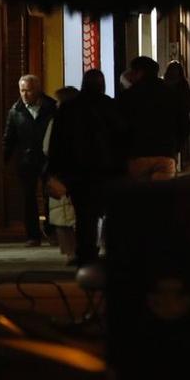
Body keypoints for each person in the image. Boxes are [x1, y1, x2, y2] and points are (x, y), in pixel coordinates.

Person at [45, 67, 124, 264]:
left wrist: (54, 169)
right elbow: (121, 137)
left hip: (76, 170)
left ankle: (86, 251)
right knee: (108, 211)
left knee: (84, 214)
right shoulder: (110, 106)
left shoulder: (69, 108)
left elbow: (57, 141)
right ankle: (108, 249)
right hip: (106, 169)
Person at [2, 74, 57, 246]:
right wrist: (3, 160)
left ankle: (52, 230)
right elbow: (9, 138)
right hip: (26, 159)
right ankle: (33, 235)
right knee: (28, 197)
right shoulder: (16, 110)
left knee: (51, 195)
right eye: (22, 90)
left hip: (49, 158)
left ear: (38, 89)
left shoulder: (51, 107)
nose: (25, 94)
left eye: (29, 90)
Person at [116, 55, 185, 180]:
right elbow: (184, 123)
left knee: (140, 197)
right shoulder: (170, 93)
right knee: (163, 196)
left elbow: (119, 126)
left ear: (139, 72)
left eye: (133, 72)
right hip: (165, 154)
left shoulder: (128, 96)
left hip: (138, 156)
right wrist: (175, 147)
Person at [43, 86, 79, 261]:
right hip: (82, 174)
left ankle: (70, 252)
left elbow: (47, 148)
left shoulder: (57, 121)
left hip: (61, 173)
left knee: (62, 215)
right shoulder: (87, 119)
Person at [162, 60, 190, 167]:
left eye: (176, 69)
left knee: (175, 146)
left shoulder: (182, 85)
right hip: (170, 120)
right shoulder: (165, 84)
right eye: (173, 69)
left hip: (180, 121)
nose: (174, 72)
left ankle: (175, 164)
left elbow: (189, 103)